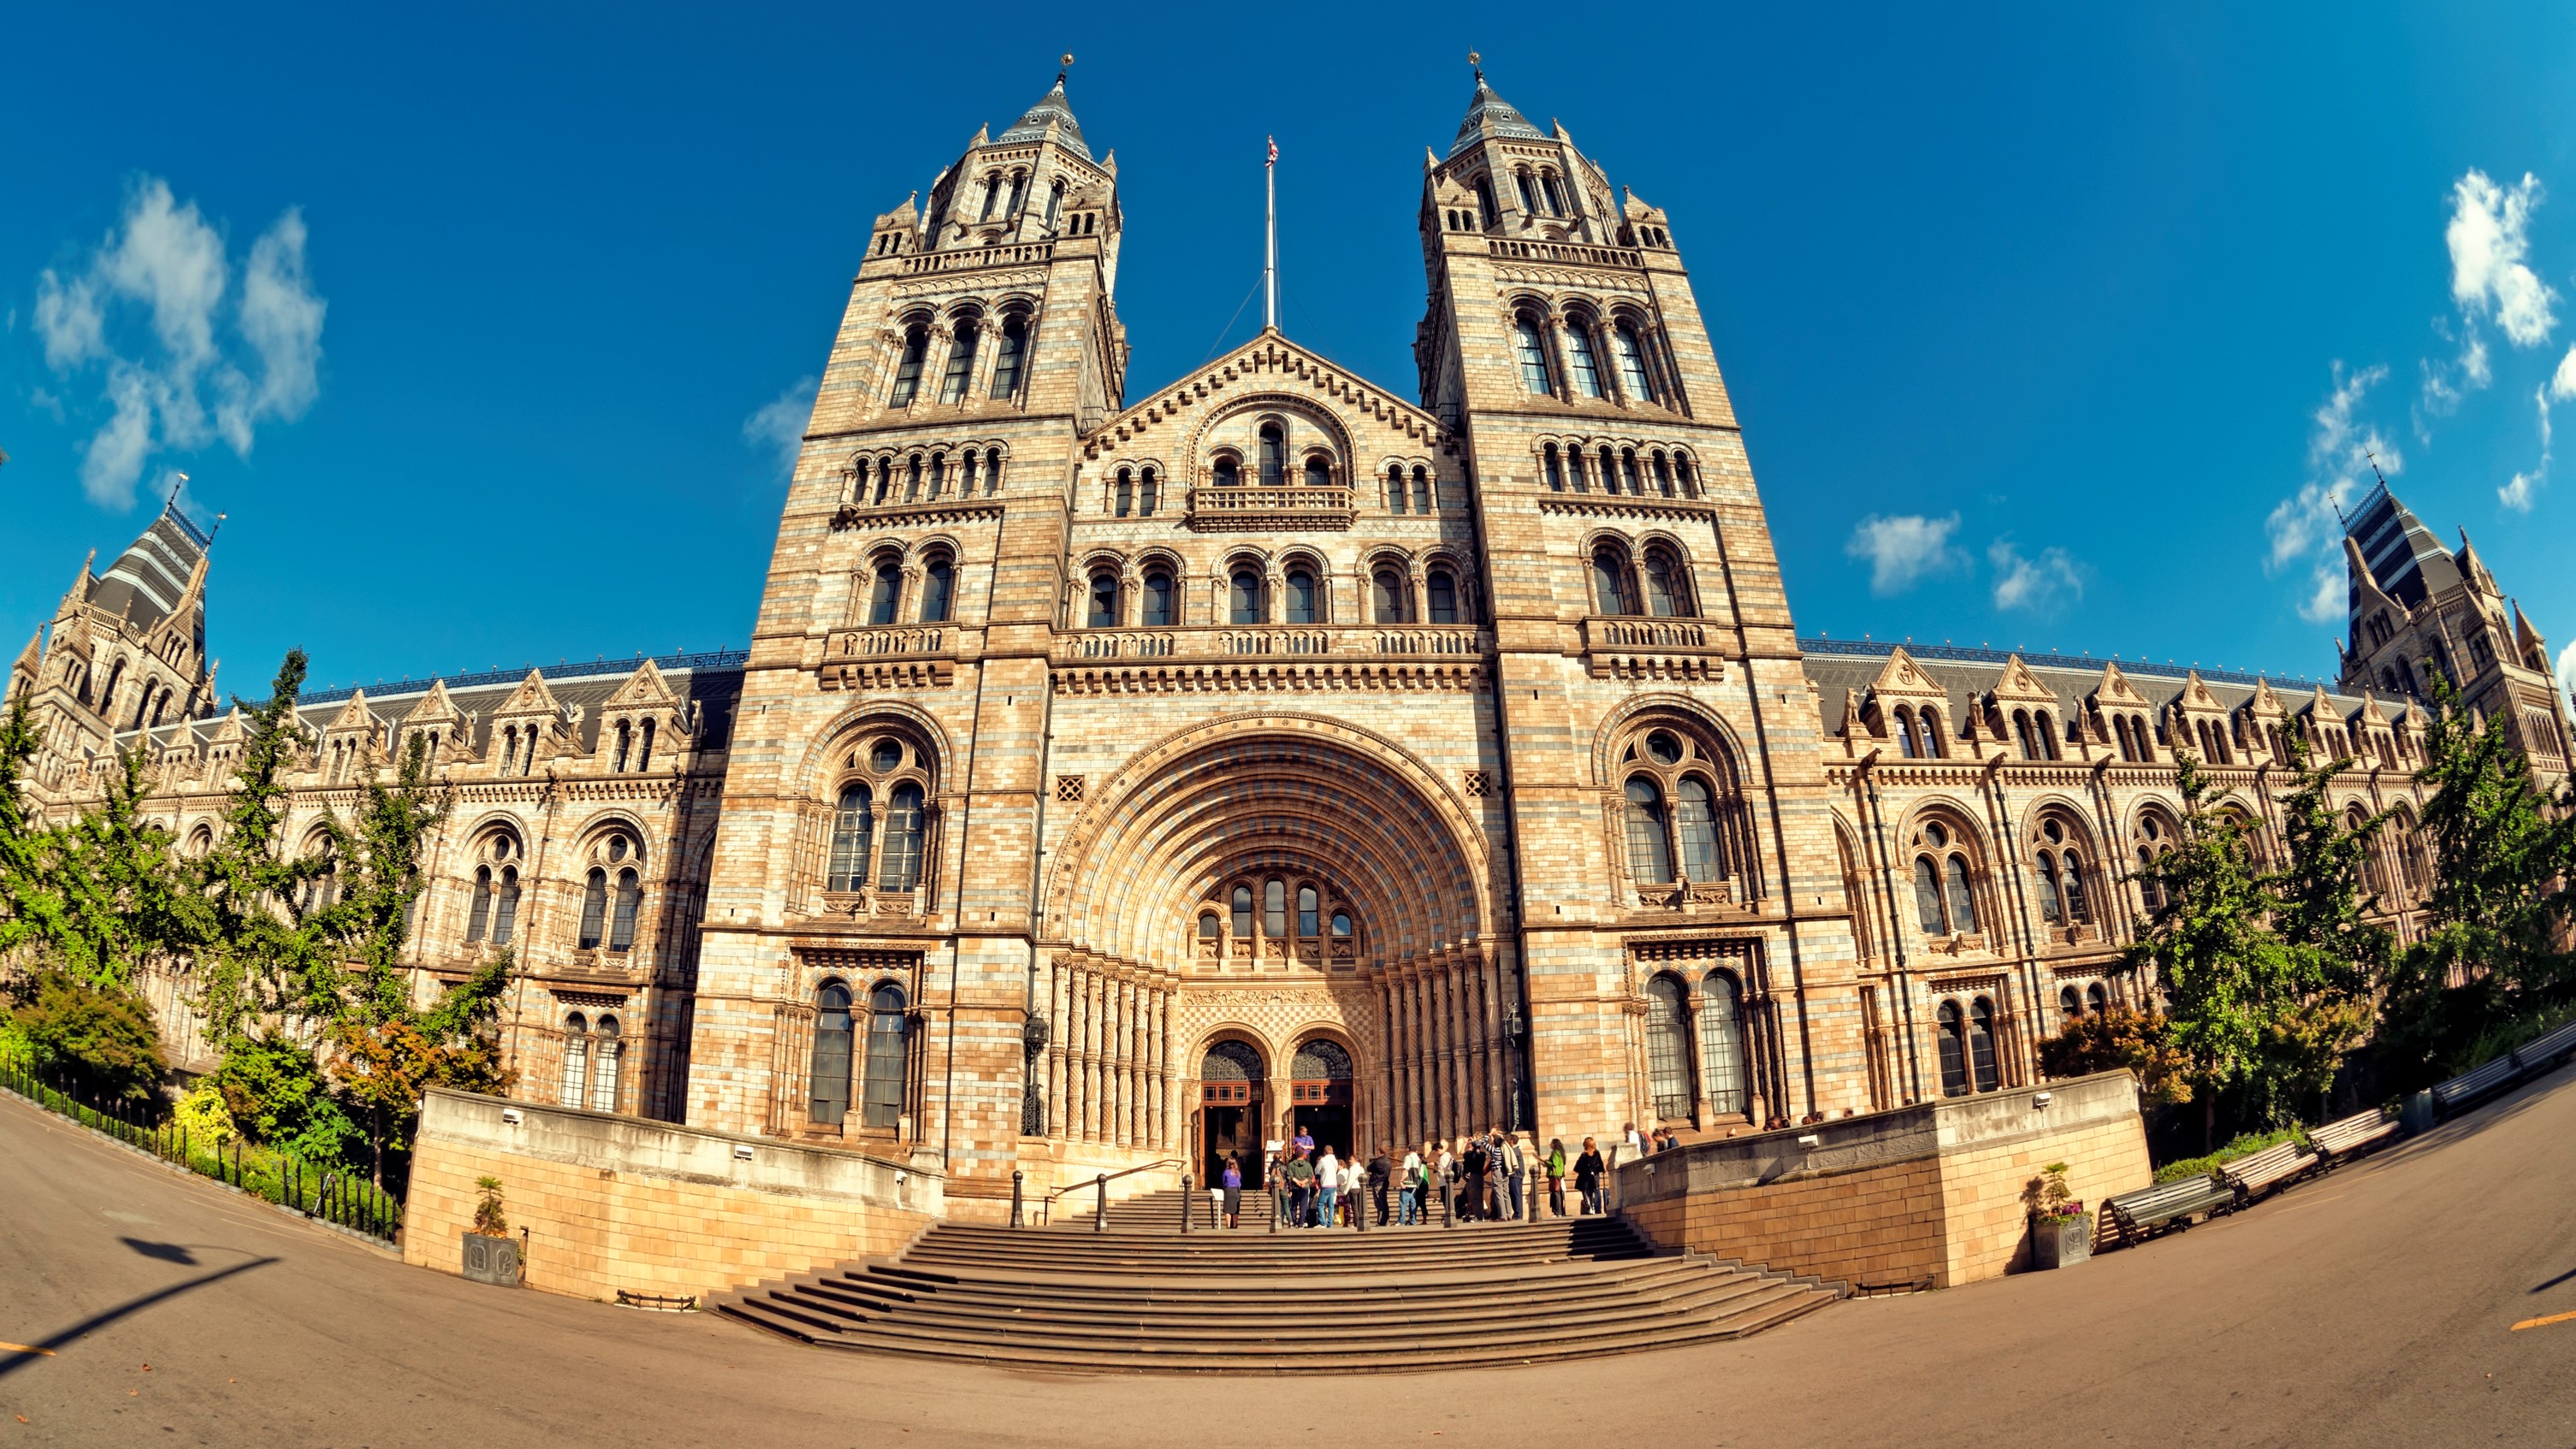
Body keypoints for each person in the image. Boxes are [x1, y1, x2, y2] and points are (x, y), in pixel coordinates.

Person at [1492, 1127, 1525, 1221]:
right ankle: (1512, 1214)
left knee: (1516, 1195)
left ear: (1511, 1141)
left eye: (1508, 1140)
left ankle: (1517, 1215)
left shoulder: (1514, 1151)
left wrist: (1494, 1135)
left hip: (1515, 1176)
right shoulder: (1512, 1150)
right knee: (1510, 1194)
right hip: (1514, 1175)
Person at [1283, 1149, 1317, 1227]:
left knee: (1293, 1206)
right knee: (1303, 1206)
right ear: (1304, 1155)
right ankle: (1301, 1223)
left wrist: (1297, 1182)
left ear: (1296, 1155)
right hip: (1305, 1187)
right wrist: (1303, 1182)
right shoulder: (1308, 1165)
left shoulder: (1291, 1164)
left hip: (1295, 1187)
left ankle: (1293, 1222)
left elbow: (1290, 1175)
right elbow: (1310, 1176)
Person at [1574, 1136, 1606, 1215]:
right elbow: (1600, 1164)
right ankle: (1596, 1208)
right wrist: (1599, 1170)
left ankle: (1589, 1207)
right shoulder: (1596, 1153)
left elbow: (1577, 1167)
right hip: (1595, 1175)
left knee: (1586, 1191)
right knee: (1595, 1190)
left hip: (1585, 1176)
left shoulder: (1584, 1154)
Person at [1460, 1136, 1488, 1222]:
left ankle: (1478, 1217)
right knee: (1479, 1197)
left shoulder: (1471, 1155)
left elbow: (1466, 1155)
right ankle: (1480, 1216)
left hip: (1474, 1176)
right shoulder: (1483, 1155)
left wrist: (1469, 1144)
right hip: (1480, 1176)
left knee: (1475, 1198)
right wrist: (1474, 1143)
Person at [1312, 1145, 1340, 1229]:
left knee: (1320, 1204)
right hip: (1333, 1184)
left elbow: (1317, 1169)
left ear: (1324, 1152)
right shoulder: (1335, 1161)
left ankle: (1322, 1223)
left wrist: (1319, 1175)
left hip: (1326, 1184)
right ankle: (1330, 1223)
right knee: (1331, 1205)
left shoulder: (1323, 1160)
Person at [1399, 1143, 1424, 1226]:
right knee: (1413, 1202)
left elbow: (1405, 1169)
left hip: (1407, 1183)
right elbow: (1421, 1173)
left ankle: (1401, 1220)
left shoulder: (1408, 1157)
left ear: (1408, 1150)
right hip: (1415, 1183)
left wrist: (1401, 1181)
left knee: (1403, 1202)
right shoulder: (1418, 1159)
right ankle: (1413, 1220)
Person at [1369, 1144, 1395, 1227]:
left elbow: (1368, 1168)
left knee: (1379, 1203)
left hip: (1378, 1183)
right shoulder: (1388, 1161)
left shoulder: (1378, 1162)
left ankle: (1380, 1221)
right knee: (1384, 1202)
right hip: (1385, 1184)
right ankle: (1386, 1220)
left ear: (1379, 1152)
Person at [1545, 1138, 1569, 1218]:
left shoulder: (1555, 1152)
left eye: (1551, 1143)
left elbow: (1554, 1164)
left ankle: (1557, 1212)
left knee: (1555, 1193)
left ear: (1554, 1144)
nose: (1550, 1144)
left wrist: (1546, 1162)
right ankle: (1560, 1211)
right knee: (1558, 1193)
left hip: (1554, 1175)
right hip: (1559, 1174)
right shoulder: (1560, 1153)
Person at [1221, 1154, 1243, 1229]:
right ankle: (1235, 1225)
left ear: (1228, 1164)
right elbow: (1239, 1184)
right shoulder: (1238, 1173)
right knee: (1235, 1211)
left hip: (1228, 1191)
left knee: (1228, 1210)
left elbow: (1224, 1182)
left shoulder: (1226, 1172)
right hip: (1236, 1191)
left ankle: (1228, 1225)